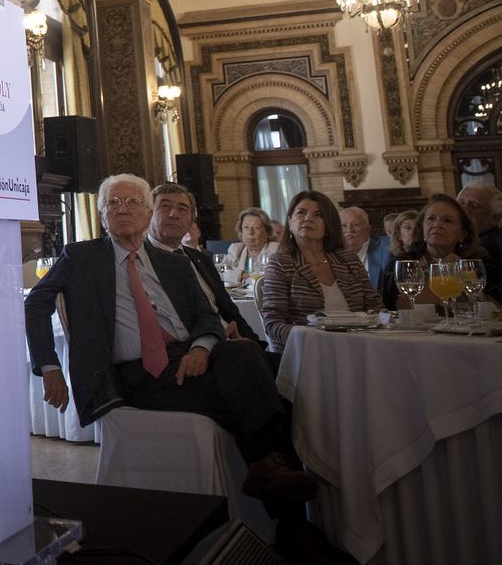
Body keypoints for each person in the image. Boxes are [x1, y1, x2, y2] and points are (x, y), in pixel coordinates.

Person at [25, 174, 316, 510]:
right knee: (266, 388)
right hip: (133, 375)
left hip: (185, 361)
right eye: (113, 203)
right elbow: (35, 304)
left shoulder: (173, 261)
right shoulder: (81, 257)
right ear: (102, 215)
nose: (123, 209)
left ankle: (275, 484)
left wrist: (199, 348)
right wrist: (49, 367)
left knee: (274, 372)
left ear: (147, 215)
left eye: (133, 202)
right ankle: (285, 506)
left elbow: (207, 316)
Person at [256, 191, 382, 351]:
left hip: (358, 347)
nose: (308, 218)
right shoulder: (281, 263)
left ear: (329, 225)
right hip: (309, 353)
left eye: (318, 214)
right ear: (290, 221)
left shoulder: (348, 259)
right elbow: (273, 324)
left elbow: (375, 306)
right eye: (301, 212)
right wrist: (315, 340)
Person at [148, 183, 262, 344]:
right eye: (165, 206)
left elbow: (229, 311)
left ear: (190, 221)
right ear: (148, 214)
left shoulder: (200, 259)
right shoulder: (141, 259)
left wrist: (254, 343)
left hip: (234, 342)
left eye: (182, 209)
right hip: (189, 349)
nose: (174, 214)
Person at [380, 194, 502, 309]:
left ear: (463, 233)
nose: (437, 225)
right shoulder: (402, 264)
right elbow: (394, 309)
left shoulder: (483, 264)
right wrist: (444, 270)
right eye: (431, 219)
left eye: (448, 220)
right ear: (422, 228)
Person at [338, 205, 389, 289]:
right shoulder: (331, 254)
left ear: (368, 229)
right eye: (343, 226)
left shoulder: (386, 249)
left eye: (355, 225)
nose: (349, 230)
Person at [223, 207, 278, 276]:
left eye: (256, 227)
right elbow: (221, 270)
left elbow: (270, 277)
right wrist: (243, 275)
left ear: (266, 232)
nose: (250, 232)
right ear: (241, 231)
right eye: (246, 227)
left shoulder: (274, 249)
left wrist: (235, 276)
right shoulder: (236, 249)